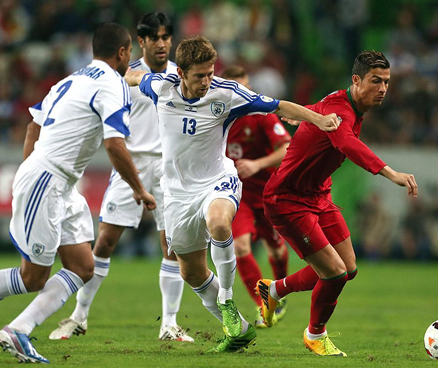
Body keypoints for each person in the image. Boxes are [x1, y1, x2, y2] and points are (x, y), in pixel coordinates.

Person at [125, 36, 340, 352]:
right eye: (200, 75)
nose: (207, 81)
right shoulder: (162, 87)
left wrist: (318, 118)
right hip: (177, 193)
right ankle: (238, 328)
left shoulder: (225, 93)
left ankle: (226, 295)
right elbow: (136, 77)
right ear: (181, 72)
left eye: (211, 73)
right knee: (191, 272)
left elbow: (277, 104)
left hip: (218, 179)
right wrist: (121, 76)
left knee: (220, 224)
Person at [0, 23, 156, 364]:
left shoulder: (72, 79)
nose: (131, 58)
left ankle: (18, 329)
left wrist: (32, 168)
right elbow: (114, 144)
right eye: (130, 53)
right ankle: (17, 330)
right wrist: (139, 189)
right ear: (122, 53)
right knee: (32, 277)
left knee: (82, 266)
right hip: (47, 181)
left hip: (62, 185)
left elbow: (34, 124)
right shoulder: (112, 85)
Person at [256, 50, 418, 357]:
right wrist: (391, 173)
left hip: (318, 194)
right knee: (334, 273)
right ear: (356, 80)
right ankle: (315, 334)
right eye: (376, 81)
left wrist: (302, 113)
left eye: (386, 82)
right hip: (287, 199)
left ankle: (274, 289)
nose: (383, 88)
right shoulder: (341, 109)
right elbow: (346, 143)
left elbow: (321, 109)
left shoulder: (344, 104)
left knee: (349, 268)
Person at [49, 12, 194, 344]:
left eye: (166, 37)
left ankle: (169, 324)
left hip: (170, 170)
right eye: (154, 38)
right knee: (104, 243)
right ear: (139, 42)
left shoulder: (181, 76)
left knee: (172, 246)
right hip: (133, 165)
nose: (162, 43)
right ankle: (79, 316)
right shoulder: (120, 79)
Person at [221, 65, 290, 327]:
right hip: (235, 193)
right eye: (237, 88)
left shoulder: (261, 114)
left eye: (246, 87)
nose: (244, 93)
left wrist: (258, 164)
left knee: (275, 246)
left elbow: (287, 147)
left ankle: (280, 294)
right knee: (240, 246)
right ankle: (264, 303)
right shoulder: (216, 116)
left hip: (266, 192)